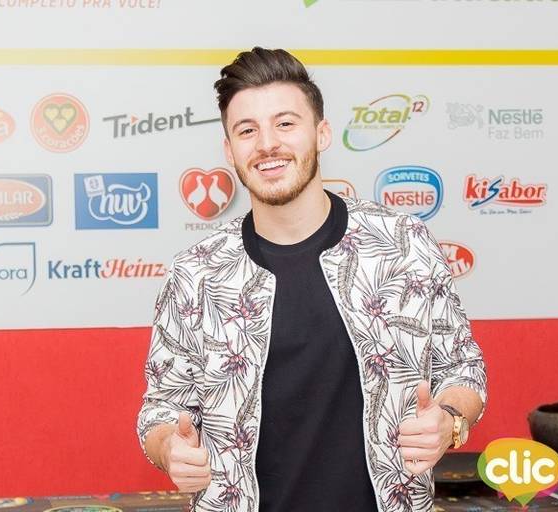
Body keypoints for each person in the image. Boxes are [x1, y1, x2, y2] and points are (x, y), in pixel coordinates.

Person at [137, 47, 487, 512]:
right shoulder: (197, 273)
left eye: (285, 123)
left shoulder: (402, 244)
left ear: (321, 134)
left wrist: (449, 420)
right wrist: (170, 449)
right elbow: (161, 408)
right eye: (247, 130)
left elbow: (463, 368)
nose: (267, 144)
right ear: (229, 150)